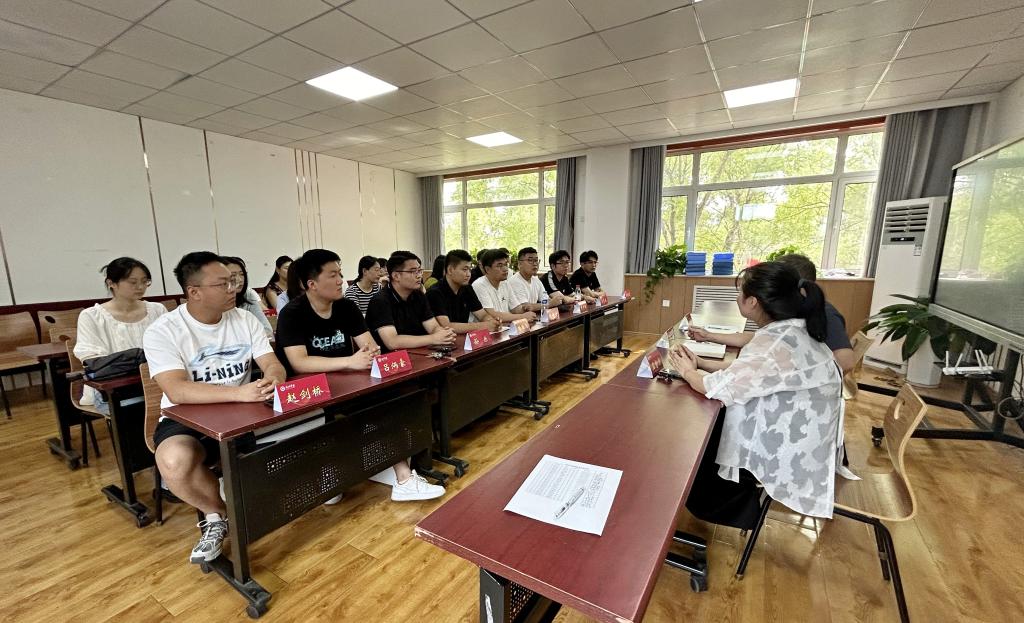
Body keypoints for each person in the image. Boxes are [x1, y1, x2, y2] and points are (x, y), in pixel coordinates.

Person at [667, 261, 846, 527]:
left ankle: (706, 507)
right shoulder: (793, 330)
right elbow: (751, 374)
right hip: (805, 436)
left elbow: (718, 387)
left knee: (691, 438)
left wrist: (687, 372)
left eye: (739, 292)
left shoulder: (775, 342)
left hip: (790, 451)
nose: (737, 297)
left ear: (752, 302)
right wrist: (702, 364)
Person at [143, 251, 286, 565]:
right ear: (194, 292)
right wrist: (239, 394)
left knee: (305, 425)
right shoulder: (163, 330)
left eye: (234, 281)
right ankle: (218, 514)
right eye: (223, 284)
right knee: (173, 460)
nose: (234, 288)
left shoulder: (245, 319)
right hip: (188, 416)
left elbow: (272, 364)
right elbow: (176, 389)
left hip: (244, 412)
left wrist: (273, 379)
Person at [277, 249, 443, 502]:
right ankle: (383, 470)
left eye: (340, 273)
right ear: (312, 284)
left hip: (349, 383)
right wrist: (349, 361)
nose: (340, 280)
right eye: (333, 275)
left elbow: (370, 346)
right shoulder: (293, 313)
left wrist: (367, 354)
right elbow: (299, 363)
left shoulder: (346, 307)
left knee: (397, 399)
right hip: (312, 392)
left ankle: (403, 478)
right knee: (333, 493)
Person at [689, 253, 856, 373]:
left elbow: (847, 361)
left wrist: (797, 376)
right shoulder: (788, 312)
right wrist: (709, 336)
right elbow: (760, 339)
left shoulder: (824, 313)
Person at [74, 257, 167, 413]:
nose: (140, 287)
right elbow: (93, 362)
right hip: (113, 391)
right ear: (111, 283)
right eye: (133, 282)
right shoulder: (91, 316)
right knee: (143, 410)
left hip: (159, 383)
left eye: (145, 281)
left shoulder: (157, 310)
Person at [365, 250, 457, 353]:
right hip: (393, 359)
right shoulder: (380, 301)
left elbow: (433, 326)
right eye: (413, 271)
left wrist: (443, 334)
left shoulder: (418, 295)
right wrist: (433, 338)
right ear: (396, 276)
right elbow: (392, 342)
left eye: (419, 270)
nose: (419, 276)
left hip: (420, 353)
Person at [426, 249, 501, 334]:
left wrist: (492, 321)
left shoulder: (467, 288)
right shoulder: (435, 293)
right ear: (450, 270)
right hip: (443, 339)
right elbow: (446, 326)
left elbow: (482, 314)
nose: (469, 274)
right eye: (465, 270)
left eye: (470, 269)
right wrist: (484, 326)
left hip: (464, 337)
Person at [472, 249, 538, 323]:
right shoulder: (479, 285)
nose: (505, 269)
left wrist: (524, 308)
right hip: (486, 328)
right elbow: (492, 315)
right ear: (487, 269)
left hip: (505, 325)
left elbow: (515, 309)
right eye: (499, 266)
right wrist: (522, 316)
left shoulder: (505, 283)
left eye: (506, 264)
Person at [221, 256, 273, 338]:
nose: (240, 280)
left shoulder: (248, 295)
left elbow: (267, 329)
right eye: (233, 275)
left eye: (242, 274)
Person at [508, 247, 567, 312]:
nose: (535, 264)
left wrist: (555, 301)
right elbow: (525, 307)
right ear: (520, 264)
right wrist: (550, 304)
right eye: (530, 260)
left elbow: (545, 300)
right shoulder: (515, 281)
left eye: (536, 260)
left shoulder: (536, 280)